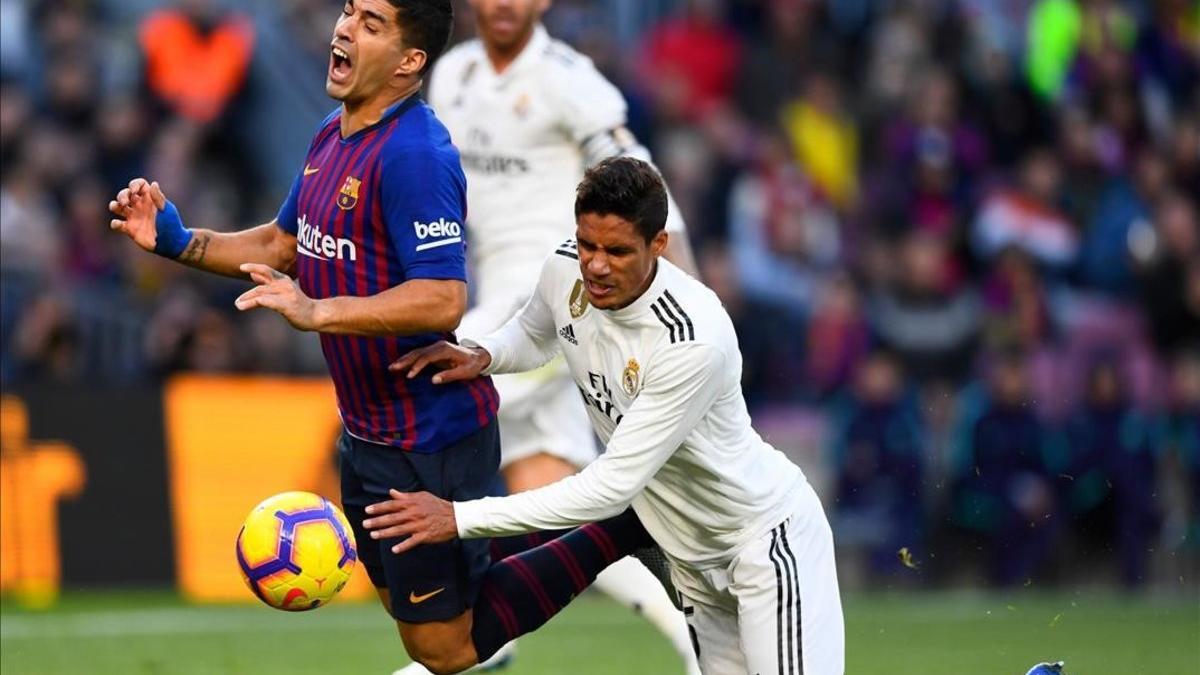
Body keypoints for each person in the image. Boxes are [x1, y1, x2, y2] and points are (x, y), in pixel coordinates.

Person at [108, 3, 655, 673]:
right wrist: (177, 240)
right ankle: (555, 566)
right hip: (370, 434)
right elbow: (284, 243)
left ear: (408, 60)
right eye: (347, 11)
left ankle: (624, 528)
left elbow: (444, 295)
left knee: (444, 646)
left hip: (431, 436)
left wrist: (319, 312)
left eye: (371, 23)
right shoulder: (329, 137)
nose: (343, 28)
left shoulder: (416, 155)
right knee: (429, 616)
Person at [370, 158, 846, 674]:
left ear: (658, 246)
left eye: (617, 251)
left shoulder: (692, 339)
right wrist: (483, 354)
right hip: (692, 563)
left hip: (764, 544)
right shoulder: (564, 271)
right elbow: (533, 334)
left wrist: (460, 517)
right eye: (587, 245)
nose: (595, 265)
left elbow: (610, 489)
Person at [425, 2, 700, 672]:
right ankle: (691, 638)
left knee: (426, 392)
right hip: (498, 299)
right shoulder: (451, 75)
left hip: (555, 296)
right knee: (552, 508)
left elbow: (646, 186)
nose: (502, 5)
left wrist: (691, 306)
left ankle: (446, 626)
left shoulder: (571, 79)